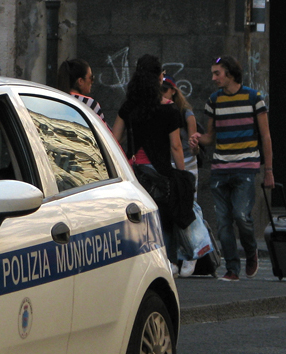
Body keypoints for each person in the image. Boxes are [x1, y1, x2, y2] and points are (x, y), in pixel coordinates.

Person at [191, 55, 274, 281]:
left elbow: (266, 136)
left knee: (241, 215)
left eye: (217, 73)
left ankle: (250, 251)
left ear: (230, 73)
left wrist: (268, 171)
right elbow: (210, 137)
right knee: (223, 222)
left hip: (246, 167)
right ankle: (232, 269)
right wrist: (198, 139)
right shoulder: (214, 100)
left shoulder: (254, 98)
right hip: (220, 168)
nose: (213, 78)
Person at [112, 55, 189, 269]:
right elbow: (176, 146)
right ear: (158, 78)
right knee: (164, 217)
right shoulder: (169, 109)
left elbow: (114, 138)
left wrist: (126, 161)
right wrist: (181, 175)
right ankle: (168, 262)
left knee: (136, 220)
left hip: (134, 172)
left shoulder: (129, 106)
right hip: (160, 171)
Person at [162, 77, 214, 277]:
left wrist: (195, 145)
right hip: (170, 164)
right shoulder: (164, 110)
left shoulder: (187, 114)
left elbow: (194, 145)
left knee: (188, 207)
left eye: (165, 91)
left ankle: (192, 254)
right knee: (172, 211)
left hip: (187, 164)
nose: (162, 95)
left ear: (173, 91)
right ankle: (176, 256)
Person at [58, 58, 106, 123]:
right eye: (91, 78)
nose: (92, 81)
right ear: (80, 81)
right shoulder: (90, 104)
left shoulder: (56, 100)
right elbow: (103, 130)